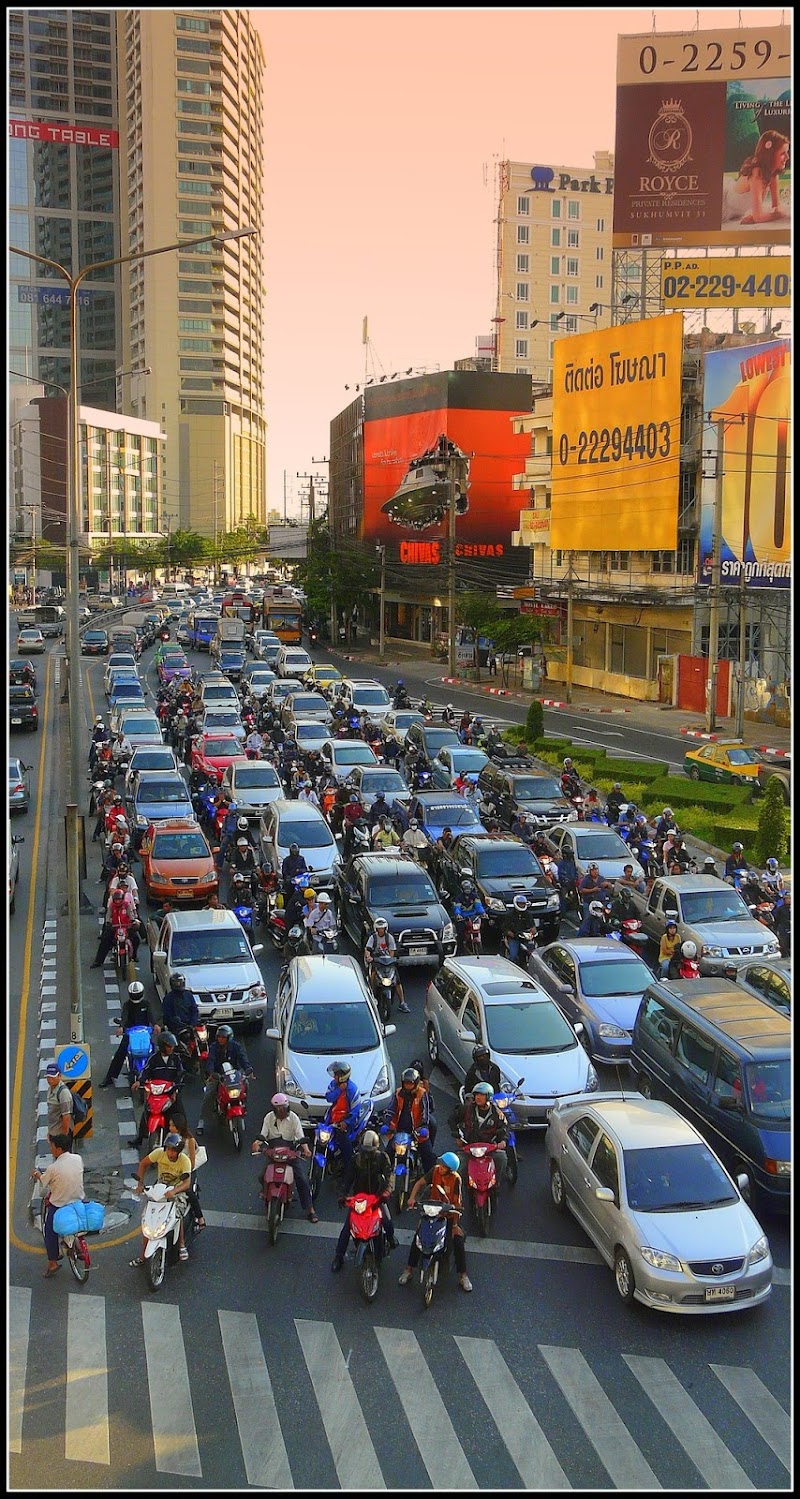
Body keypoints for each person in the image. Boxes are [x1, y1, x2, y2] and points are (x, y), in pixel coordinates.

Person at [399, 1152, 472, 1293]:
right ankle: (408, 1269)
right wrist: (412, 1198)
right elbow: (420, 1183)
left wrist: (455, 1225)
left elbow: (457, 1202)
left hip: (447, 1214)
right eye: (441, 1164)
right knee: (418, 1238)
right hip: (432, 1210)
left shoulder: (456, 1179)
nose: (441, 1168)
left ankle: (463, 1275)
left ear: (450, 1170)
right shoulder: (435, 1170)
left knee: (456, 1241)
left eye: (444, 1166)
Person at [331, 1128, 395, 1271]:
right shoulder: (355, 1160)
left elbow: (390, 1177)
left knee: (387, 1222)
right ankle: (338, 1256)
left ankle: (390, 1240)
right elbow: (348, 1179)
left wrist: (386, 1192)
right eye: (365, 1150)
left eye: (370, 1151)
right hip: (359, 1200)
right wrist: (343, 1195)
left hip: (377, 1198)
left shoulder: (383, 1158)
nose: (367, 1154)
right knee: (347, 1229)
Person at [251, 1093, 317, 1223]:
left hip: (290, 1152)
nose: (281, 1111)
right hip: (273, 1151)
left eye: (283, 1108)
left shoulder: (294, 1118)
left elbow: (299, 1136)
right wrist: (256, 1143)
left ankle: (310, 1209)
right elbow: (263, 1135)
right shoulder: (269, 1118)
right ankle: (266, 1192)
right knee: (261, 1176)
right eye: (278, 1109)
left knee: (302, 1180)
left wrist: (306, 1149)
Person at [130, 1131, 192, 1266]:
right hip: (159, 1189)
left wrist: (175, 1190)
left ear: (179, 1151)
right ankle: (142, 1255)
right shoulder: (159, 1153)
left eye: (173, 1151)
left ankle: (181, 1244)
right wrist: (140, 1184)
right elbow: (143, 1163)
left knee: (177, 1213)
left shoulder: (184, 1161)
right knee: (147, 1218)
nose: (170, 1153)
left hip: (176, 1191)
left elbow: (187, 1183)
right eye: (168, 1149)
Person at [31, 1132, 85, 1277]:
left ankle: (52, 1263)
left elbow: (43, 1181)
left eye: (52, 1146)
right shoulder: (78, 1159)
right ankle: (77, 1245)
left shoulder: (53, 1168)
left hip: (60, 1206)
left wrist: (36, 1174)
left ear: (59, 1149)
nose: (51, 1149)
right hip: (78, 1200)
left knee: (49, 1231)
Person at [99, 979, 160, 1088]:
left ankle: (157, 1076)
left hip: (144, 1034)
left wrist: (155, 1024)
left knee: (154, 1052)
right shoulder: (127, 1005)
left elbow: (151, 1016)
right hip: (130, 1034)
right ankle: (110, 1077)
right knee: (119, 1054)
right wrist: (122, 1026)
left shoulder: (146, 1004)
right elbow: (125, 1016)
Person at [130, 1031, 187, 1148]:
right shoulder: (153, 1059)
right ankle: (140, 1138)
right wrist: (139, 1081)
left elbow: (180, 1074)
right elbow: (145, 1071)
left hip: (171, 1092)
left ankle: (185, 1137)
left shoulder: (176, 1059)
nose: (171, 1049)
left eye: (172, 1047)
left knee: (180, 1113)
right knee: (147, 1112)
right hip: (157, 1092)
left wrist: (175, 1090)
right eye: (168, 1046)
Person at [196, 1024, 254, 1137]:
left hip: (234, 1075)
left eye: (223, 1037)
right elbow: (210, 1061)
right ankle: (201, 1122)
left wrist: (248, 1069)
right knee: (209, 1094)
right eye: (219, 1037)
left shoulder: (236, 1047)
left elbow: (243, 1058)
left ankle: (243, 1105)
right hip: (219, 1075)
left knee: (246, 1084)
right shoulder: (214, 1047)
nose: (220, 1039)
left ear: (229, 1038)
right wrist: (212, 1073)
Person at [722, 131, 790, 225]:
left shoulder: (773, 173)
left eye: (787, 152)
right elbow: (759, 217)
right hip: (724, 206)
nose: (787, 157)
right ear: (770, 153)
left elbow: (776, 205)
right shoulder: (757, 172)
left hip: (740, 211)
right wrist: (778, 215)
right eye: (783, 153)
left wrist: (758, 216)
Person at [381, 1067, 435, 1171]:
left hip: (417, 1132)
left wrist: (423, 1126)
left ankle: (429, 1181)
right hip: (399, 1132)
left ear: (416, 1083)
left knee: (428, 1156)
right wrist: (386, 1123)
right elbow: (391, 1109)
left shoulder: (422, 1093)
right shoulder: (398, 1093)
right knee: (386, 1155)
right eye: (406, 1083)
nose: (408, 1086)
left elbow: (425, 1113)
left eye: (410, 1083)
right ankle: (384, 1179)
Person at [457, 1081, 509, 1181]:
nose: (478, 1097)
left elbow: (505, 1128)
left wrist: (503, 1141)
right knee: (459, 1166)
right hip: (469, 1147)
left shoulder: (497, 1114)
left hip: (489, 1148)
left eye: (481, 1095)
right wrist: (457, 1136)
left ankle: (496, 1184)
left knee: (502, 1158)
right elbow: (452, 1120)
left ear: (488, 1097)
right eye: (476, 1095)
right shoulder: (466, 1109)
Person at [166, 1103, 205, 1230]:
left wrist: (183, 1170)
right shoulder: (169, 1137)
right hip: (172, 1170)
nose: (170, 1127)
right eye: (170, 1125)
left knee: (188, 1192)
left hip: (187, 1171)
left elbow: (192, 1163)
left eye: (173, 1125)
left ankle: (200, 1217)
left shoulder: (190, 1140)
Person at [89, 886, 142, 968]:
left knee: (136, 939)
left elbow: (131, 914)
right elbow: (108, 915)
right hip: (115, 927)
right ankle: (98, 961)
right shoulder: (111, 906)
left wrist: (132, 921)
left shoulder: (126, 905)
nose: (117, 901)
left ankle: (134, 955)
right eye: (116, 899)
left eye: (119, 899)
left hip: (126, 927)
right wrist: (108, 923)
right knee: (105, 940)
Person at [323, 1062, 362, 1170]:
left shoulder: (352, 1089)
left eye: (336, 1075)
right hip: (332, 1120)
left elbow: (356, 1109)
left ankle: (349, 1168)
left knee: (344, 1143)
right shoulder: (333, 1085)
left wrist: (346, 1122)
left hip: (346, 1122)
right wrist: (339, 1090)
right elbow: (328, 1097)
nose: (334, 1077)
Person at [365, 917, 408, 1011]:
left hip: (388, 963)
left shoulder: (389, 938)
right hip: (377, 962)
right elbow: (368, 949)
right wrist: (369, 957)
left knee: (397, 981)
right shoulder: (373, 938)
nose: (381, 930)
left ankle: (402, 1003)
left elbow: (392, 951)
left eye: (382, 928)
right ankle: (372, 995)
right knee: (373, 975)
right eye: (379, 928)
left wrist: (391, 959)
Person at [161, 972, 200, 1040]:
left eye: (180, 982)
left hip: (190, 1028)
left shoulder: (188, 995)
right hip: (176, 1029)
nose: (179, 984)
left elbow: (194, 1010)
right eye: (177, 983)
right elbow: (167, 1016)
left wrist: (193, 1023)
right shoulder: (168, 998)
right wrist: (177, 1023)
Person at [44, 1062, 74, 1150]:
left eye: (53, 1077)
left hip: (60, 1134)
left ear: (59, 1076)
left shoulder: (63, 1093)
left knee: (64, 1160)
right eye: (48, 1077)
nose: (50, 1079)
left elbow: (66, 1117)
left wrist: (63, 1138)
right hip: (54, 1132)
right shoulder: (51, 1089)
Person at [453, 878, 486, 951]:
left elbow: (478, 906)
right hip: (463, 918)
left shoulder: (475, 896)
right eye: (465, 888)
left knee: (482, 927)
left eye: (468, 888)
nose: (467, 890)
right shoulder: (459, 898)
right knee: (460, 932)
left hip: (473, 917)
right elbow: (457, 908)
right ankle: (460, 948)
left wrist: (483, 913)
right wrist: (458, 914)